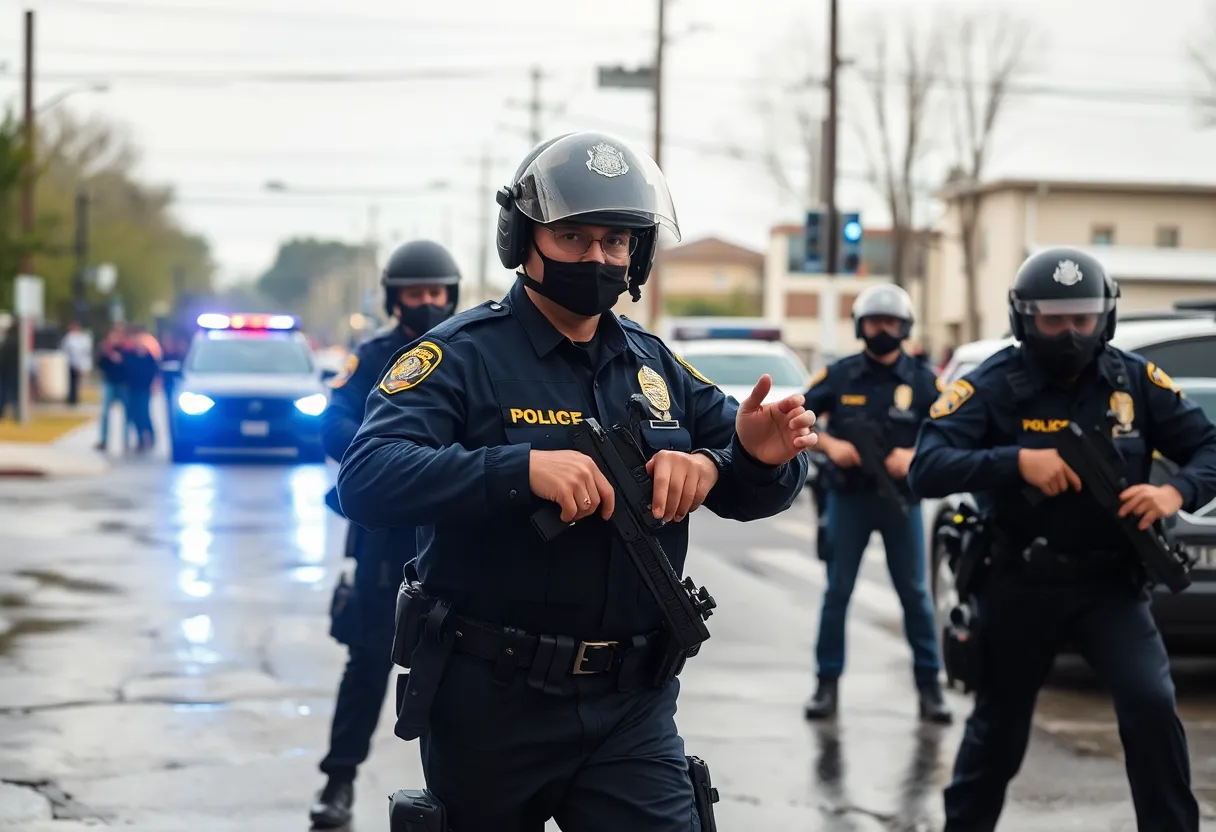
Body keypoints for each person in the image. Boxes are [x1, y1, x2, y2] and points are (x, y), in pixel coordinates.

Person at [336, 132, 815, 831]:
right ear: (523, 239)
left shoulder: (657, 369)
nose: (597, 257)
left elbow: (757, 482)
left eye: (616, 241)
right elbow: (368, 476)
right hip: (492, 703)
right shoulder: (458, 356)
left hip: (631, 707)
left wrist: (739, 459)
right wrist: (519, 469)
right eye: (573, 236)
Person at [908, 248, 1216, 832]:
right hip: (1019, 584)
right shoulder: (994, 384)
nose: (1071, 333)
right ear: (1026, 319)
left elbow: (1209, 447)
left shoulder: (1134, 380)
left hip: (1112, 586)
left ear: (1107, 316)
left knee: (1152, 709)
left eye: (1084, 317)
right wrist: (1015, 462)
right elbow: (928, 466)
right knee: (996, 735)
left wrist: (1174, 493)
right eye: (1054, 319)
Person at [309, 239, 462, 830]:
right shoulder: (373, 356)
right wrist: (387, 464)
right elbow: (334, 420)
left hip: (454, 535)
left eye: (435, 293)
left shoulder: (470, 351)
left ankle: (457, 795)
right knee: (368, 660)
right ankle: (338, 781)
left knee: (465, 670)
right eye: (414, 294)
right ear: (395, 298)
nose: (426, 303)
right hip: (386, 536)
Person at [800, 284, 951, 723]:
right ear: (860, 326)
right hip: (848, 498)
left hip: (901, 502)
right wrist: (830, 445)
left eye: (890, 322)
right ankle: (826, 686)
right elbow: (799, 414)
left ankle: (930, 688)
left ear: (904, 327)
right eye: (874, 322)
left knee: (916, 596)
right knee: (837, 593)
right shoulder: (841, 375)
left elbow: (952, 430)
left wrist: (916, 455)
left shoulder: (924, 382)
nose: (882, 329)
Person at [95, 324, 129, 451]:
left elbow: (130, 366)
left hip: (123, 384)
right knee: (105, 413)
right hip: (109, 382)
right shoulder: (106, 350)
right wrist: (108, 356)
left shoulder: (126, 350)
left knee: (126, 414)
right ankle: (103, 440)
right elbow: (100, 365)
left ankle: (126, 440)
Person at [61, 322, 92, 407]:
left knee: (75, 382)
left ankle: (74, 398)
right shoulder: (70, 338)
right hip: (71, 362)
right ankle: (72, 398)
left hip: (75, 362)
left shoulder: (77, 338)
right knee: (72, 382)